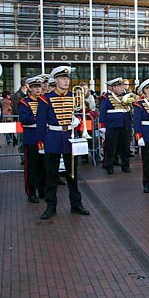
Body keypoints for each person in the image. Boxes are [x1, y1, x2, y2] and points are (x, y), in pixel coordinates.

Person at [36, 66, 90, 219]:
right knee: (51, 175)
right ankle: (51, 207)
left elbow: (79, 113)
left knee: (72, 174)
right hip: (53, 138)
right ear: (56, 80)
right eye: (62, 79)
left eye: (67, 79)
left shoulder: (74, 96)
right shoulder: (45, 99)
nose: (66, 81)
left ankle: (76, 205)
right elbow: (41, 122)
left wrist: (76, 121)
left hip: (69, 137)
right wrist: (41, 142)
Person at [18, 76, 46, 202]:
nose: (38, 89)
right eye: (35, 87)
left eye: (39, 87)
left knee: (43, 166)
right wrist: (40, 121)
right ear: (30, 88)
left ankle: (42, 190)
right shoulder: (24, 103)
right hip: (32, 138)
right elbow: (25, 120)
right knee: (32, 167)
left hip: (44, 139)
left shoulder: (45, 101)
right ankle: (31, 192)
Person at [99, 77, 132, 175]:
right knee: (111, 148)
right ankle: (109, 165)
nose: (122, 88)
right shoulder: (106, 97)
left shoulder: (127, 96)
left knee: (125, 147)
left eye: (122, 85)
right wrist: (102, 126)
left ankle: (125, 166)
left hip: (125, 124)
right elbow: (103, 112)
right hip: (112, 125)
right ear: (113, 88)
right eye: (119, 86)